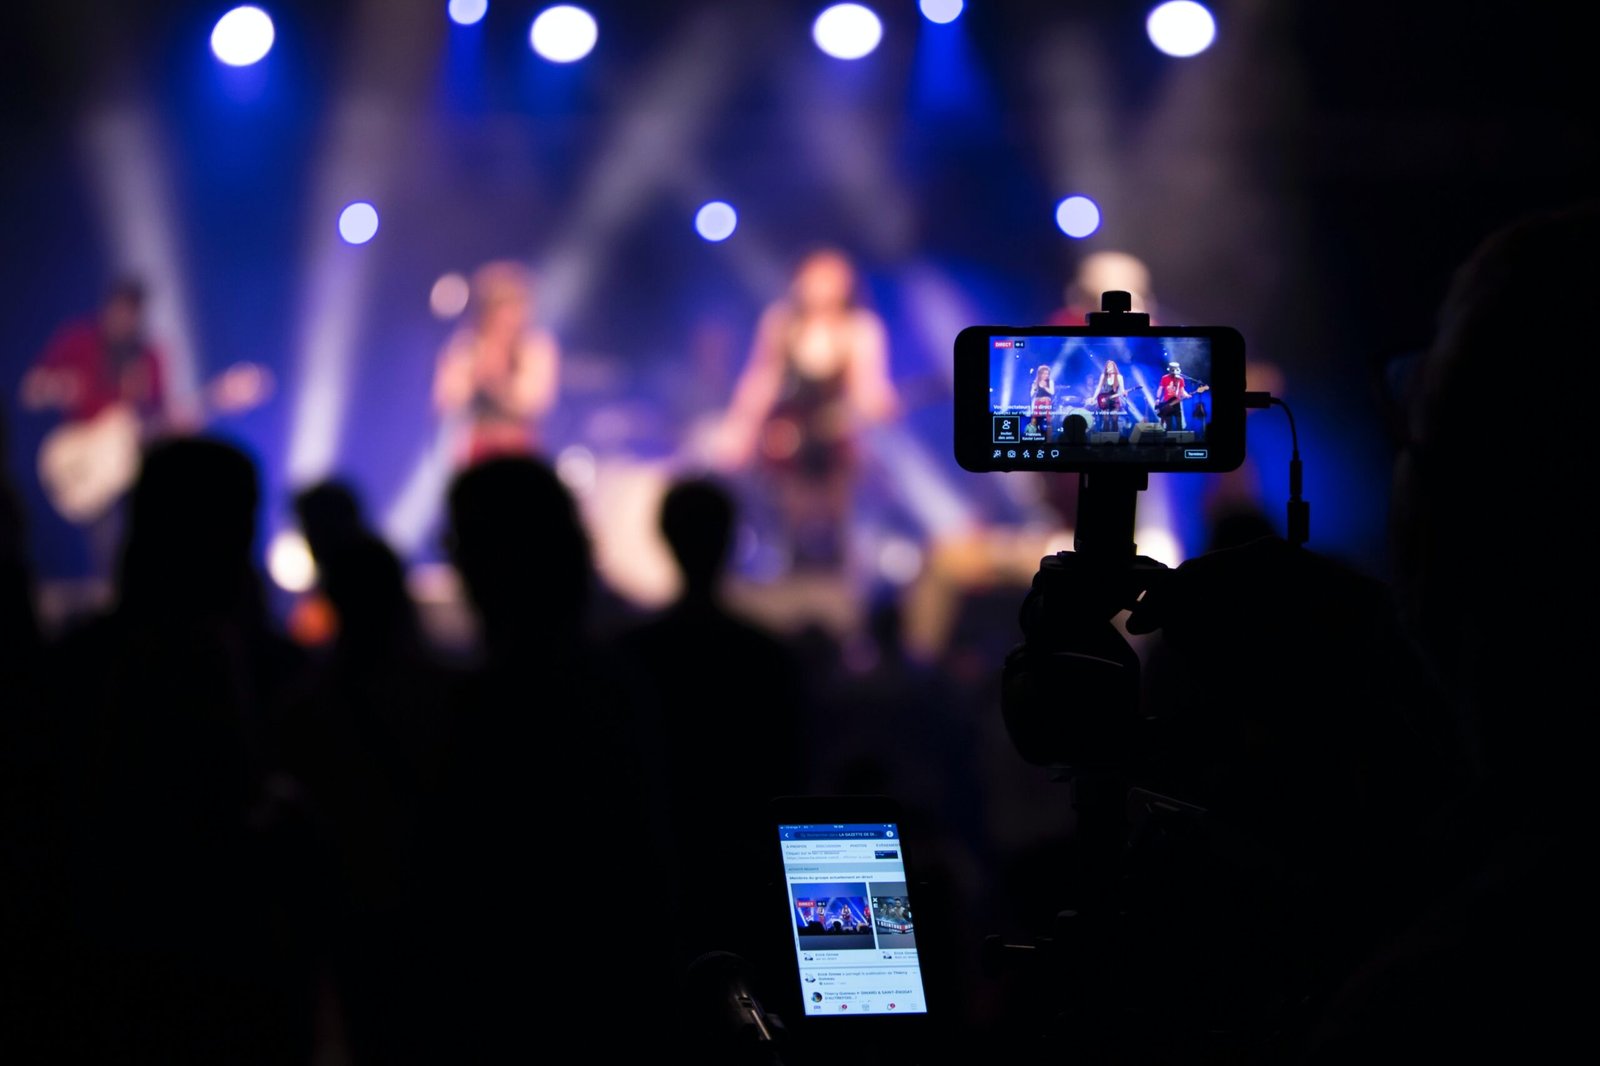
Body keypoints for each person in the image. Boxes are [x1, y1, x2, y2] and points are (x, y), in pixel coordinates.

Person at [714, 247, 898, 570]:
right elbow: (761, 378)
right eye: (815, 277)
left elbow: (868, 387)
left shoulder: (860, 328)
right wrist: (739, 429)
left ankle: (841, 587)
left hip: (836, 442)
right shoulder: (782, 322)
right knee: (787, 521)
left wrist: (878, 403)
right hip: (788, 441)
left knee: (840, 522)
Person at [431, 260, 559, 466]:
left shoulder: (535, 348)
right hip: (475, 447)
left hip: (520, 448)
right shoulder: (467, 346)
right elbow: (445, 400)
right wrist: (474, 372)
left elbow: (536, 402)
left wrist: (496, 380)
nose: (510, 318)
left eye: (517, 308)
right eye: (502, 309)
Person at [1155, 358, 1192, 431]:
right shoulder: (1164, 378)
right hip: (1167, 403)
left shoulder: (1180, 379)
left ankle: (1180, 439)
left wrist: (1186, 395)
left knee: (1179, 423)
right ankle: (1168, 439)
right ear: (1170, 370)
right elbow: (1160, 389)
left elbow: (1182, 390)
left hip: (1177, 402)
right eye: (1173, 370)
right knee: (1169, 425)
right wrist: (1157, 398)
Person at [1092, 359, 1127, 433]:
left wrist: (1124, 393)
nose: (1109, 368)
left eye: (1110, 367)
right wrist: (1093, 398)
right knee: (1106, 420)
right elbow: (1099, 387)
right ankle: (1105, 439)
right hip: (1104, 400)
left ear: (1114, 367)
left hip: (1115, 401)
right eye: (1107, 367)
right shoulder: (1103, 376)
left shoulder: (1119, 377)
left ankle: (1115, 439)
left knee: (1114, 420)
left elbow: (1122, 389)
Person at [1028, 364, 1055, 440]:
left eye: (1047, 373)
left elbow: (1052, 392)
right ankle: (1034, 438)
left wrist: (1045, 387)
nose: (1046, 375)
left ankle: (1049, 439)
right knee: (1034, 420)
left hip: (1046, 402)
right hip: (1037, 402)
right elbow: (1031, 395)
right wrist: (1034, 388)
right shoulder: (1035, 382)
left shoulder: (1050, 381)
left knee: (1048, 421)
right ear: (1040, 374)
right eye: (1044, 373)